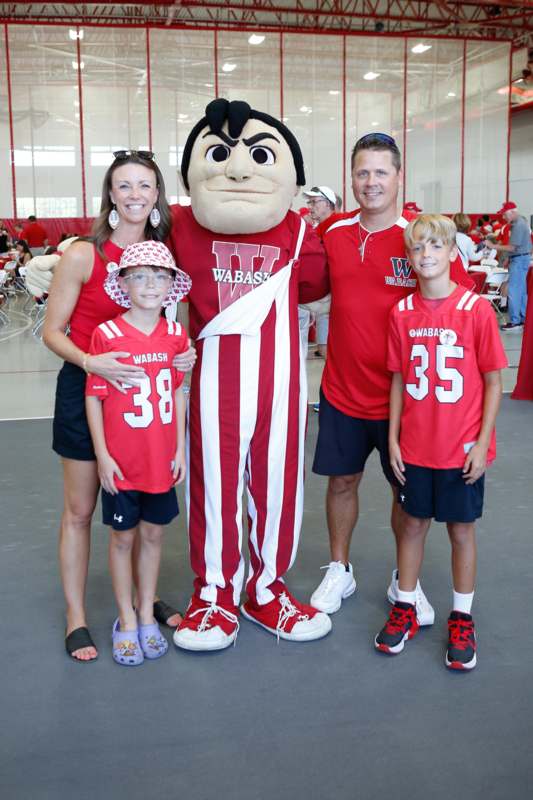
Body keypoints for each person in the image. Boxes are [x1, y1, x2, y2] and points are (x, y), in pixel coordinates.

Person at [169, 98, 332, 651]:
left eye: (257, 156)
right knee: (212, 489)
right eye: (220, 155)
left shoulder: (299, 231)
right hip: (213, 386)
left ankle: (266, 588)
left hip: (282, 386)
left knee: (279, 487)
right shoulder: (181, 226)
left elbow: (316, 289)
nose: (238, 169)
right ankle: (214, 591)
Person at [310, 132, 474, 620]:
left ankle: (407, 582)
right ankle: (340, 568)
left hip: (407, 399)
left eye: (381, 172)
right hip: (341, 389)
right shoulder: (333, 232)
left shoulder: (419, 240)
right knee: (342, 481)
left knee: (408, 495)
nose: (371, 182)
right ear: (352, 179)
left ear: (399, 177)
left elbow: (460, 310)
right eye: (362, 172)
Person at [43, 150, 194, 662]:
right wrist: (92, 362)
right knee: (82, 512)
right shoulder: (83, 254)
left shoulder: (162, 255)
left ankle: (141, 601)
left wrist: (185, 352)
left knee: (147, 508)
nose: (134, 195)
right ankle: (77, 617)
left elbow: (167, 325)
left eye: (145, 186)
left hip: (145, 407)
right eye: (124, 186)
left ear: (157, 197)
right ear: (111, 194)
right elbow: (51, 333)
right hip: (90, 391)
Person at [375, 214, 507, 670]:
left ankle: (462, 616)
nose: (425, 255)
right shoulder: (402, 313)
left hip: (460, 447)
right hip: (415, 446)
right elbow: (397, 379)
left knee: (460, 530)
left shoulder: (476, 310)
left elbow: (493, 381)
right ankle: (406, 605)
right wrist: (392, 437)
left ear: (453, 252)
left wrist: (481, 442)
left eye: (435, 246)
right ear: (409, 258)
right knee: (411, 525)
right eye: (417, 248)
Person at [85, 241, 191, 666]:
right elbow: (94, 397)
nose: (151, 284)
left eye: (160, 276)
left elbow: (179, 391)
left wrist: (180, 446)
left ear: (171, 286)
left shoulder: (175, 334)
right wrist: (103, 456)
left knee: (152, 536)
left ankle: (148, 612)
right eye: (141, 276)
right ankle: (125, 618)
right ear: (124, 284)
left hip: (161, 459)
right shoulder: (107, 334)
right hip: (123, 462)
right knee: (122, 537)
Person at [301, 185, 338, 359]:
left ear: (329, 204)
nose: (310, 206)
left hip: (339, 301)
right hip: (322, 302)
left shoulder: (340, 228)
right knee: (324, 350)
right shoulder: (314, 230)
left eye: (315, 202)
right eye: (309, 202)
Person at [487, 201, 532, 332]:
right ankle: (522, 318)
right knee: (521, 292)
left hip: (519, 259)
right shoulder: (518, 224)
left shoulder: (518, 225)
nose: (503, 218)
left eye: (505, 215)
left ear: (512, 212)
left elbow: (513, 247)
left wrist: (493, 246)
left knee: (514, 291)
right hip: (520, 258)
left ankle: (514, 321)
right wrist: (507, 257)